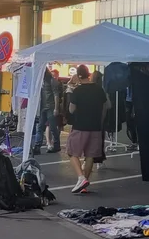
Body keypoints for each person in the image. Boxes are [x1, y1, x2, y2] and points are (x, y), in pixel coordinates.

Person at [69, 65, 110, 193]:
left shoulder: (77, 91)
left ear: (78, 76)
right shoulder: (99, 89)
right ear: (89, 74)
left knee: (72, 153)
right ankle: (84, 185)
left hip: (80, 126)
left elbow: (71, 110)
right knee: (90, 155)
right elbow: (106, 106)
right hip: (96, 126)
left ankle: (81, 178)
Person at [34, 66, 61, 154]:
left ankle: (41, 146)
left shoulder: (51, 81)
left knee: (50, 127)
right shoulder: (45, 80)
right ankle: (38, 146)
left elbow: (56, 95)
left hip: (49, 107)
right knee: (42, 127)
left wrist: (56, 108)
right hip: (45, 107)